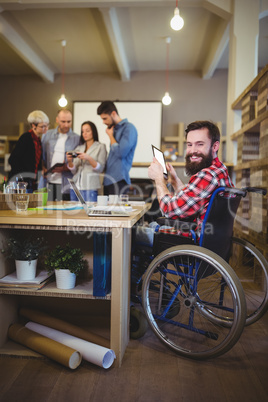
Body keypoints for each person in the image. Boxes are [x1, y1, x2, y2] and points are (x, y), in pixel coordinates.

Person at [147, 120, 234, 239]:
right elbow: (192, 201)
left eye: (200, 144)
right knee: (150, 225)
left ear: (215, 146)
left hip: (189, 241)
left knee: (136, 231)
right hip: (209, 240)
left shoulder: (207, 175)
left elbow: (169, 211)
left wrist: (158, 178)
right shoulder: (220, 170)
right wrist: (174, 180)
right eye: (189, 144)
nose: (193, 150)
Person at [97, 101, 138, 195]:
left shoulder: (129, 128)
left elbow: (121, 153)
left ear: (113, 114)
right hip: (108, 180)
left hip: (119, 180)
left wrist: (110, 136)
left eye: (105, 118)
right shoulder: (114, 129)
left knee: (116, 210)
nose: (103, 122)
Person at [41, 109, 80, 201]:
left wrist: (66, 167)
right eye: (63, 121)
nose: (66, 125)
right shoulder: (47, 135)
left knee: (64, 213)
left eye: (69, 121)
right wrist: (42, 168)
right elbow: (41, 155)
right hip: (49, 182)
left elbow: (78, 162)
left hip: (67, 183)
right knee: (49, 212)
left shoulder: (77, 138)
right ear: (57, 120)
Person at [8, 110, 49, 192]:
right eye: (42, 126)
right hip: (20, 181)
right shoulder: (26, 138)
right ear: (34, 125)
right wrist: (22, 178)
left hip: (30, 181)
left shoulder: (38, 140)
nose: (46, 128)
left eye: (47, 125)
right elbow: (13, 159)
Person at [66, 121, 107, 202]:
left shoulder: (100, 147)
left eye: (87, 131)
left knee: (89, 213)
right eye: (82, 131)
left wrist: (89, 158)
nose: (84, 133)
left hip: (90, 187)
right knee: (74, 213)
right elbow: (74, 171)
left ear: (93, 132)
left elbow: (100, 169)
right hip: (75, 187)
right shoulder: (79, 148)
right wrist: (70, 161)